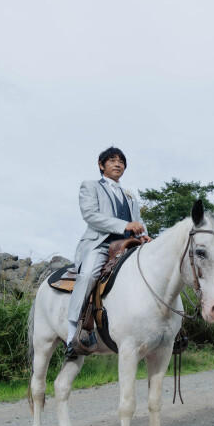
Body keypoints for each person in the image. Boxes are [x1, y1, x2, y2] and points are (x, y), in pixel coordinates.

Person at [65, 146, 152, 359]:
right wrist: (125, 225)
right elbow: (91, 215)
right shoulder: (90, 186)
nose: (118, 164)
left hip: (129, 245)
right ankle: (71, 335)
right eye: (112, 160)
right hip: (101, 244)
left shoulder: (130, 195)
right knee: (87, 275)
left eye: (121, 161)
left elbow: (138, 223)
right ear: (101, 165)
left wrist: (144, 235)